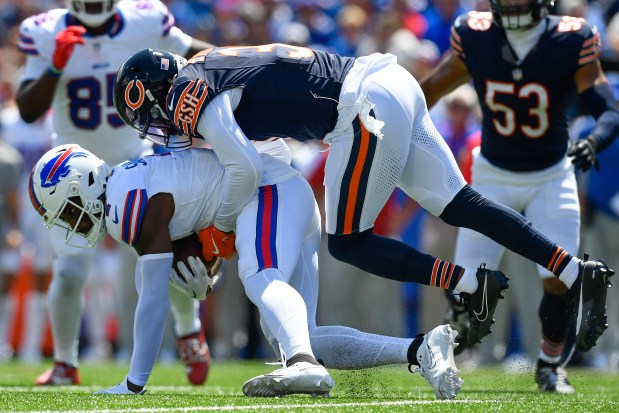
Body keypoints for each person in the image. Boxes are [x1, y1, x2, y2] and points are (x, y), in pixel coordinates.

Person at [112, 45, 613, 368]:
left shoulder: (187, 89)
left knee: (349, 243)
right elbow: (260, 146)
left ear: (155, 92)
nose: (159, 126)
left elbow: (242, 166)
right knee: (461, 203)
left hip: (357, 110)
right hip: (387, 83)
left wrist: (218, 230)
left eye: (147, 112)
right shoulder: (211, 61)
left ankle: (470, 284)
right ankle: (572, 269)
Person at [29, 143, 464, 400]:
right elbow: (194, 205)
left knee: (262, 283)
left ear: (83, 185)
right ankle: (421, 349)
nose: (72, 223)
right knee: (297, 333)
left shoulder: (125, 205)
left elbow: (153, 297)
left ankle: (301, 364)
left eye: (68, 212)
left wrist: (134, 383)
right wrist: (203, 262)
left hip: (271, 190)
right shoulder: (126, 183)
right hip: (282, 194)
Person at [419, 0, 619, 392]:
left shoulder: (571, 38)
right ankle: (455, 348)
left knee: (558, 278)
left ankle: (549, 364)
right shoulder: (475, 35)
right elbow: (426, 92)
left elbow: (608, 110)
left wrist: (594, 141)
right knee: (468, 286)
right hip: (492, 173)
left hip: (550, 173)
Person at [15, 0, 214, 385]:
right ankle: (65, 363)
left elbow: (199, 55)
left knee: (160, 254)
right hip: (72, 171)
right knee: (70, 270)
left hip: (132, 158)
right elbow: (26, 109)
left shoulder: (144, 18)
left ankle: (189, 331)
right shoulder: (46, 30)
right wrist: (57, 64)